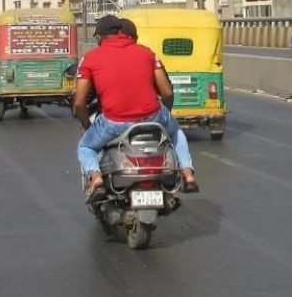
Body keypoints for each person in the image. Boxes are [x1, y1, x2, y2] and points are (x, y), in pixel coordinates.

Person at [74, 15, 199, 201]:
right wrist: (164, 116)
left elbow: (79, 102)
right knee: (176, 133)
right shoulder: (147, 53)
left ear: (99, 37)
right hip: (153, 116)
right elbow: (167, 92)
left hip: (114, 122)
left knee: (85, 146)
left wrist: (86, 124)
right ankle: (188, 174)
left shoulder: (91, 58)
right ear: (120, 32)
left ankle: (97, 178)